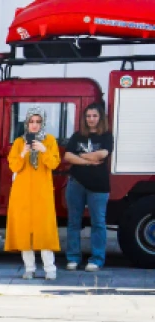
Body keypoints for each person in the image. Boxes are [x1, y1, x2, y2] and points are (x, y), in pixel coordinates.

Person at [6, 108, 60, 280]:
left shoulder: (50, 140)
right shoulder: (19, 142)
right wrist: (23, 153)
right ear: (27, 123)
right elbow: (13, 166)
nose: (34, 125)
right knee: (24, 230)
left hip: (42, 192)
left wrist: (44, 150)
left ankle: (50, 269)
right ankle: (29, 268)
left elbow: (54, 164)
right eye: (32, 122)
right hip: (22, 192)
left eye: (38, 122)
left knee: (44, 230)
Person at [64, 104, 113, 272]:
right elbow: (68, 156)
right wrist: (88, 161)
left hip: (99, 186)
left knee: (98, 223)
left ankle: (97, 260)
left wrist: (80, 156)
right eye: (88, 116)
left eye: (94, 116)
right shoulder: (77, 136)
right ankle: (73, 258)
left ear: (100, 118)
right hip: (76, 184)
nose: (91, 119)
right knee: (73, 222)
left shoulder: (106, 136)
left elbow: (102, 154)